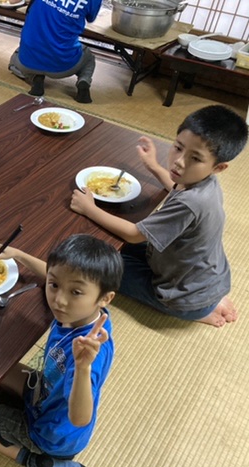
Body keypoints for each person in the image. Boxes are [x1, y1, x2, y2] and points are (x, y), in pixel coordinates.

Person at [70, 105, 248, 328]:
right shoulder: (205, 183)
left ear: (219, 167)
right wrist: (152, 165)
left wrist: (89, 208)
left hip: (181, 295)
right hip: (203, 275)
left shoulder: (191, 203)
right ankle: (208, 301)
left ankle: (197, 311)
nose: (179, 161)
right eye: (178, 147)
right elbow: (176, 186)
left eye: (195, 158)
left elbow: (134, 234)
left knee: (97, 266)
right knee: (110, 247)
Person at [0, 234, 122, 467]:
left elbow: (80, 418)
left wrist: (82, 368)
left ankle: (38, 462)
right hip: (45, 391)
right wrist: (17, 254)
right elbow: (53, 273)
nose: (59, 300)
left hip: (51, 433)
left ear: (105, 298)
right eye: (54, 286)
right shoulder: (81, 311)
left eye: (75, 292)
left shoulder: (89, 351)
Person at [8, 0, 102, 104]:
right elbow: (91, 18)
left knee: (15, 60)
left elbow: (14, 1)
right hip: (63, 66)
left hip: (29, 61)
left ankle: (35, 77)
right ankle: (84, 81)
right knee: (89, 59)